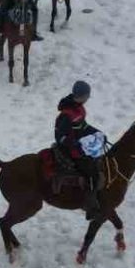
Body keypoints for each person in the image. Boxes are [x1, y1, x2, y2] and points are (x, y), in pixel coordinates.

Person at [54, 80, 104, 216]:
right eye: (87, 95)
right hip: (69, 150)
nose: (88, 98)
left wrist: (96, 132)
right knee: (91, 172)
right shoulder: (66, 115)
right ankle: (90, 205)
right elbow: (59, 136)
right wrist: (75, 144)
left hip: (80, 145)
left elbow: (83, 126)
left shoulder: (79, 109)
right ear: (81, 96)